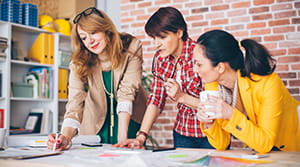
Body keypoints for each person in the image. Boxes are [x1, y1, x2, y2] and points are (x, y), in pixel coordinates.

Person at [47, 7, 147, 151]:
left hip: (128, 120)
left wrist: (122, 138)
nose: (90, 41)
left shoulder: (131, 46)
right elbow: (75, 102)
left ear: (106, 29)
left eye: (93, 32)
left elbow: (127, 92)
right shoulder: (78, 62)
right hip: (96, 121)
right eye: (84, 37)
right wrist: (65, 137)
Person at [116, 7, 214, 149]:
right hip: (183, 133)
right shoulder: (161, 59)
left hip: (211, 135)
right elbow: (156, 99)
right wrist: (141, 136)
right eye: (154, 38)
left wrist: (181, 96)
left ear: (179, 32)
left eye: (162, 37)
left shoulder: (200, 55)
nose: (157, 44)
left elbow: (213, 105)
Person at [193, 29, 300, 153]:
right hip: (258, 152)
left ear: (220, 67)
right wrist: (209, 123)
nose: (195, 69)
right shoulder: (213, 85)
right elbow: (221, 144)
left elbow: (265, 143)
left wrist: (231, 114)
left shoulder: (268, 83)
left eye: (199, 64)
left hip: (289, 150)